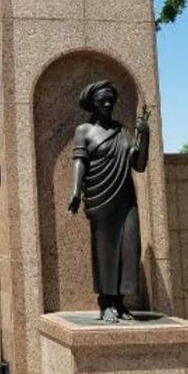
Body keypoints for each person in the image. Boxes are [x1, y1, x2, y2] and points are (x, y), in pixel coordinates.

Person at [67, 81, 150, 323]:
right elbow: (80, 161)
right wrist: (75, 191)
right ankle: (105, 302)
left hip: (126, 199)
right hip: (100, 197)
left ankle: (120, 302)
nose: (107, 104)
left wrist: (144, 135)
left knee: (129, 248)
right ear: (92, 103)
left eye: (110, 100)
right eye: (102, 100)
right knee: (104, 250)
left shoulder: (121, 130)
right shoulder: (84, 130)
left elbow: (139, 164)